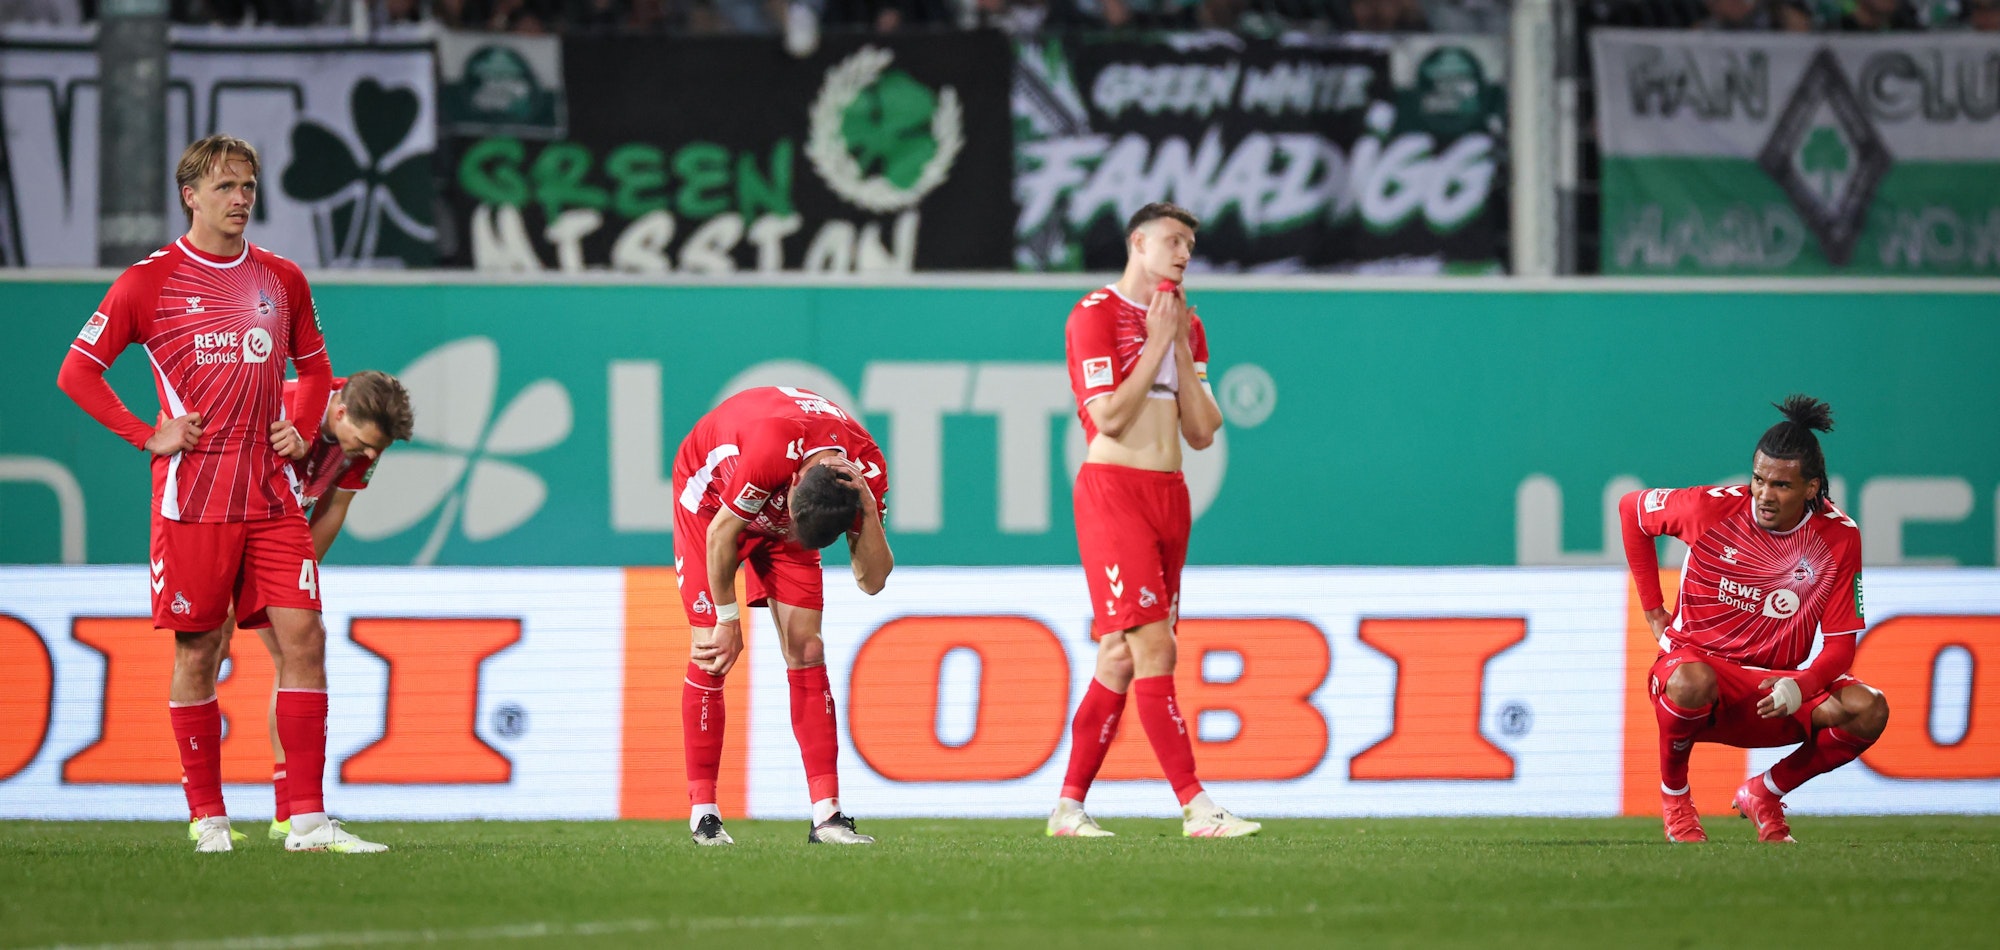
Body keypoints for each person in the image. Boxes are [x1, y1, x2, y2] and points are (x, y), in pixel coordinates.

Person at [56, 133, 385, 854]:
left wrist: (301, 432)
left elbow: (315, 362)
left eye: (249, 188)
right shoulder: (147, 283)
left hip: (271, 501)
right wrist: (148, 434)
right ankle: (208, 817)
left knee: (307, 641)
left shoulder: (282, 278)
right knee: (199, 654)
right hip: (194, 500)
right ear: (191, 195)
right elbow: (77, 374)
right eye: (227, 187)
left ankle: (305, 820)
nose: (240, 200)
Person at [1048, 202, 1260, 839]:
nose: (1183, 253)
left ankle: (1068, 809)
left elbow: (1202, 430)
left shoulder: (1188, 326)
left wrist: (1177, 337)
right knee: (1154, 646)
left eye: (1190, 244)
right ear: (1137, 242)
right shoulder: (1095, 314)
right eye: (1172, 240)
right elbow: (1107, 417)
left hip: (1171, 495)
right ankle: (1196, 806)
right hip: (1115, 492)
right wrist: (1157, 344)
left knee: (1118, 655)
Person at [1620, 396, 1889, 844]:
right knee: (1690, 681)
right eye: (1758, 480)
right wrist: (1652, 609)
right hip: (1700, 678)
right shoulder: (1711, 509)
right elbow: (1632, 510)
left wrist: (1799, 685)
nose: (1764, 495)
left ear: (1811, 488)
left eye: (1781, 485)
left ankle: (1764, 793)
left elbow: (1841, 647)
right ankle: (1676, 800)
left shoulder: (1839, 537)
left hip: (1774, 693)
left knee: (1869, 709)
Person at [672, 386, 892, 846]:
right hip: (712, 505)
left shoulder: (864, 467)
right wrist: (729, 619)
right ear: (793, 486)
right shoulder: (773, 445)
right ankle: (704, 815)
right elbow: (720, 535)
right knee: (712, 649)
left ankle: (827, 818)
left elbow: (872, 581)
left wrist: (869, 511)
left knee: (808, 647)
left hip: (779, 505)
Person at [211, 371, 412, 843]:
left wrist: (293, 578)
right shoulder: (274, 404)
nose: (368, 456)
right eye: (363, 444)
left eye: (377, 450)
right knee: (208, 650)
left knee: (295, 653)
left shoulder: (362, 445)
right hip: (219, 524)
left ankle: (289, 811)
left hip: (274, 540)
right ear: (339, 411)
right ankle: (205, 814)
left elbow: (334, 508)